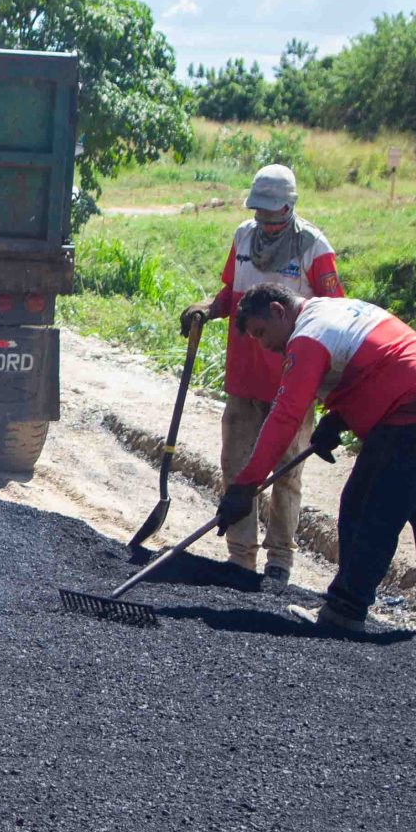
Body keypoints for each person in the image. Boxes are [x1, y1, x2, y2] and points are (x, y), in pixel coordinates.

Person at [218, 288, 416, 635]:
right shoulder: (332, 311)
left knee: (366, 506)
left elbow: (286, 415)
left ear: (279, 311)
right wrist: (337, 418)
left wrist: (245, 484)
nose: (264, 346)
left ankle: (346, 609)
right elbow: (374, 363)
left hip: (414, 411)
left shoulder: (308, 336)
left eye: (261, 333)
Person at [178, 163, 342, 583]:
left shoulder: (313, 246)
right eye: (261, 213)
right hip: (244, 378)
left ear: (290, 206)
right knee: (236, 464)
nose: (266, 223)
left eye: (274, 214)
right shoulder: (243, 237)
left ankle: (279, 560)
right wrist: (208, 310)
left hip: (293, 381)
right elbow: (232, 293)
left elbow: (334, 312)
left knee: (285, 471)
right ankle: (240, 557)